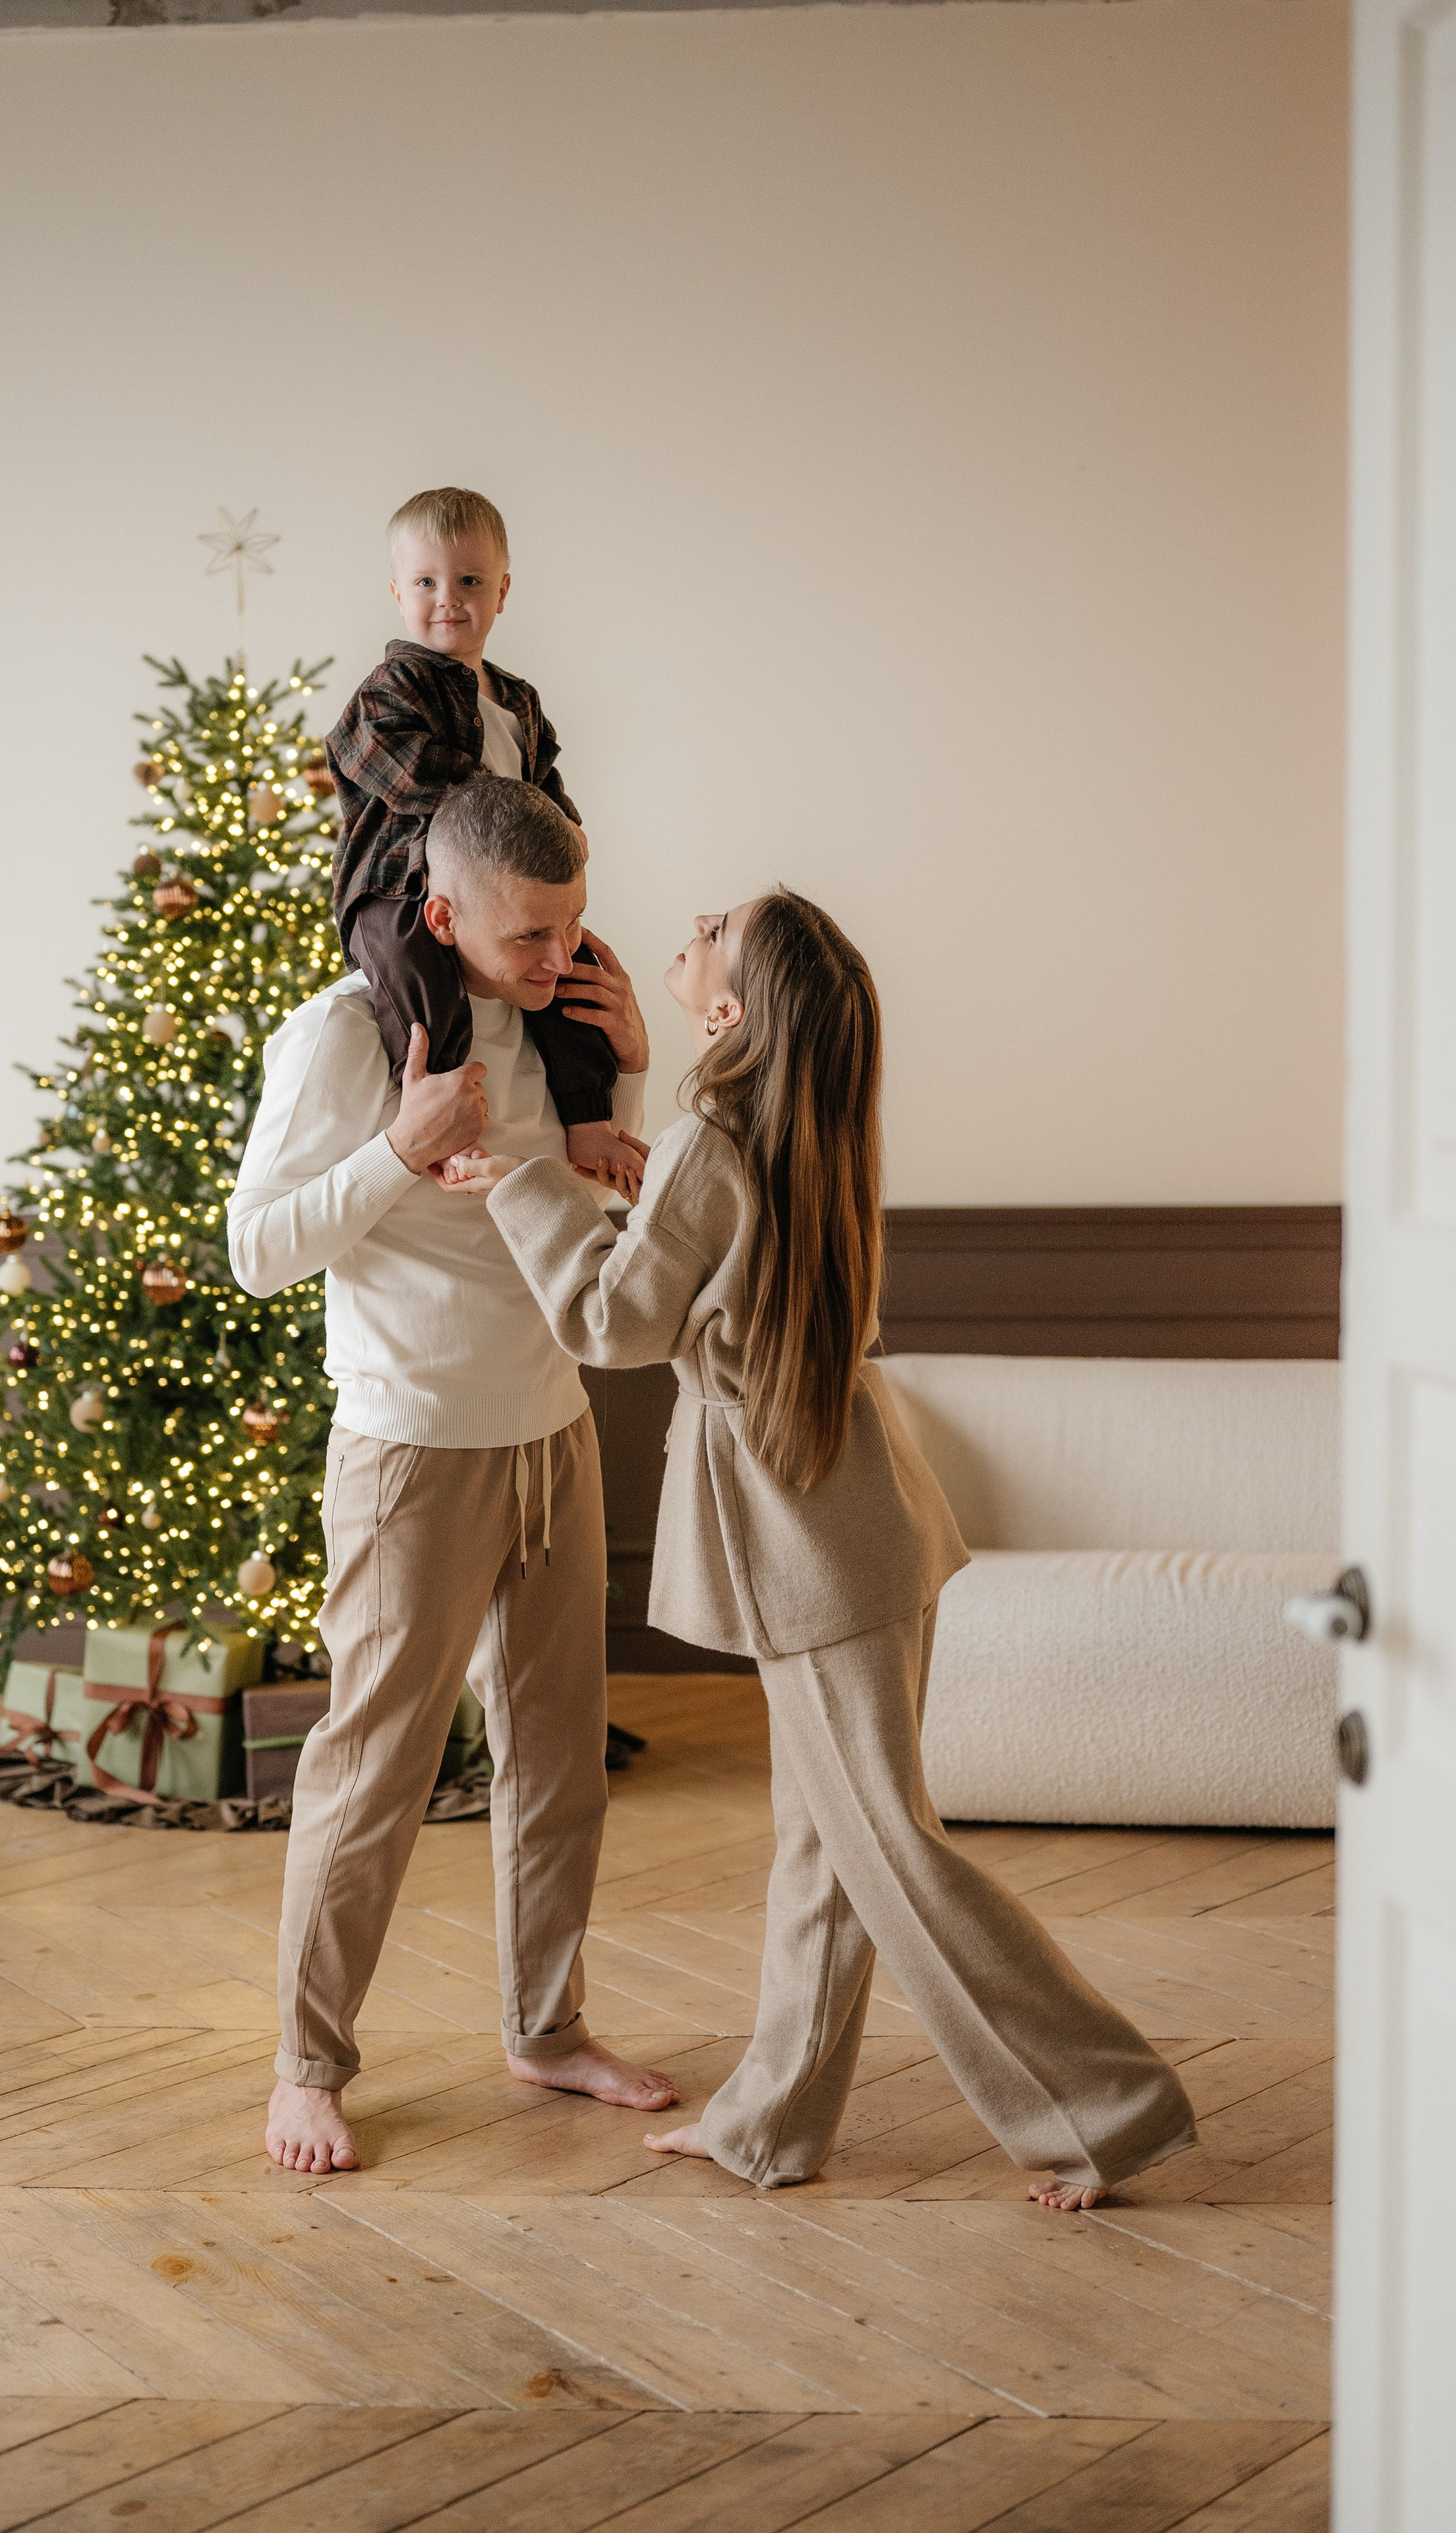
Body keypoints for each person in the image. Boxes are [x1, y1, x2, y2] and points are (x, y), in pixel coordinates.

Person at [438, 889, 1199, 2205]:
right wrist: (614, 1181)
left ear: (729, 1010)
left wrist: (523, 1191)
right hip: (855, 1519)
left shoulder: (712, 1136)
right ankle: (770, 2123)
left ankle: (1103, 2109)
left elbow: (617, 1325)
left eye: (717, 927)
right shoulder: (786, 1129)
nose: (692, 920)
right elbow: (698, 1274)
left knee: (885, 1843)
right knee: (824, 1842)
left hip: (810, 1538)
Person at [228, 775, 678, 2176]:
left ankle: (544, 2028)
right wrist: (389, 1153)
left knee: (559, 1766)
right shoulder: (339, 1035)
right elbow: (257, 1248)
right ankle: (308, 2066)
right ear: (441, 912)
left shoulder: (567, 1035)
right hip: (408, 1449)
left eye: (575, 928)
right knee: (371, 1771)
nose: (561, 961)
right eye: (532, 936)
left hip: (552, 1428)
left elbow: (568, 1212)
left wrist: (633, 1086)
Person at [327, 484, 647, 1202]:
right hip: (404, 888)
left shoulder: (516, 700)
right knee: (419, 978)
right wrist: (522, 808)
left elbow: (545, 775)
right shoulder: (391, 690)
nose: (448, 598)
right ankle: (438, 1114)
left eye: (470, 580)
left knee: (573, 966)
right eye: (426, 582)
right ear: (396, 591)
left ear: (502, 591)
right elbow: (401, 770)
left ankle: (590, 1120)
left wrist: (561, 818)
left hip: (507, 899)